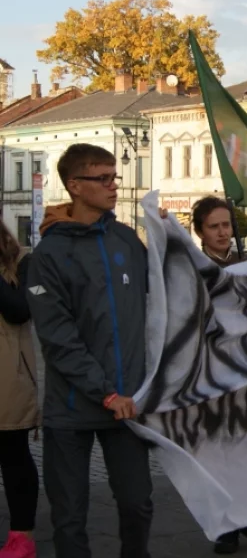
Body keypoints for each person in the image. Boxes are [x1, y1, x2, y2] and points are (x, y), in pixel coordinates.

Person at [26, 144, 153, 558]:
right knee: (69, 516)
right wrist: (104, 392)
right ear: (75, 186)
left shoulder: (127, 240)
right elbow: (58, 337)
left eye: (115, 176)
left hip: (127, 405)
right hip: (71, 411)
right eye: (103, 178)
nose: (114, 186)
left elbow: (170, 296)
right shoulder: (49, 255)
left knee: (137, 503)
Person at [188, 196, 247, 554]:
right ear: (200, 232)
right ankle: (226, 526)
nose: (223, 232)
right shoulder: (192, 268)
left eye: (226, 225)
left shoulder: (246, 263)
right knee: (218, 452)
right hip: (209, 371)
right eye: (214, 226)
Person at [0, 222, 40, 558]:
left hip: (8, 378)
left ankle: (21, 536)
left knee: (14, 457)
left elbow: (19, 310)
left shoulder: (22, 261)